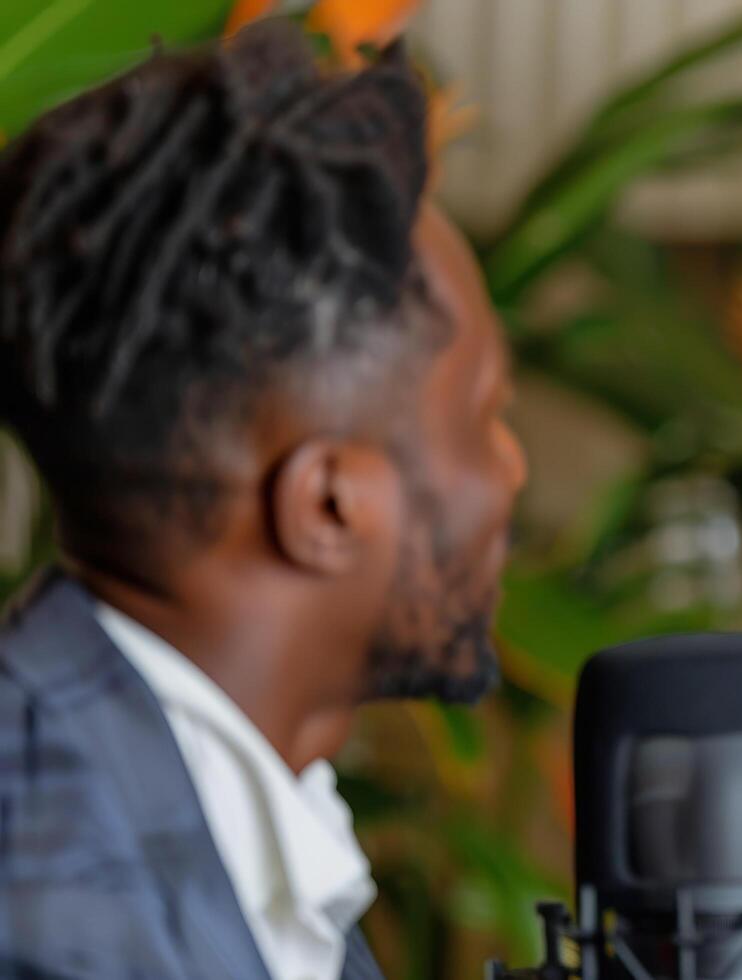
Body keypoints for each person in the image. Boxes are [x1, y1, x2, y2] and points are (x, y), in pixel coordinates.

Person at [0, 22, 526, 980]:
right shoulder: (52, 914)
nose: (512, 471)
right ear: (328, 506)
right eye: (484, 417)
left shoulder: (182, 803)